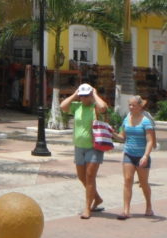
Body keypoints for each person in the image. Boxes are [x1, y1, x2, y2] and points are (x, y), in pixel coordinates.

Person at [60, 82, 108, 219]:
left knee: (90, 176)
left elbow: (103, 108)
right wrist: (75, 94)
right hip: (79, 146)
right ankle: (97, 198)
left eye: (86, 96)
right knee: (82, 177)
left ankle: (87, 207)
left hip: (94, 147)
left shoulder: (95, 108)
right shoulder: (77, 107)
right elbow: (63, 106)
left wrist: (95, 94)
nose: (84, 98)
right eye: (82, 96)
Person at [113, 95, 156, 219]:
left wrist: (146, 156)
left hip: (142, 156)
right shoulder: (126, 119)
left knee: (143, 183)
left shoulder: (146, 121)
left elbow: (150, 141)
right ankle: (126, 210)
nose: (131, 107)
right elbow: (122, 137)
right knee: (127, 180)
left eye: (133, 105)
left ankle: (149, 206)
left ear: (140, 106)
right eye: (129, 105)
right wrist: (112, 133)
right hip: (128, 154)